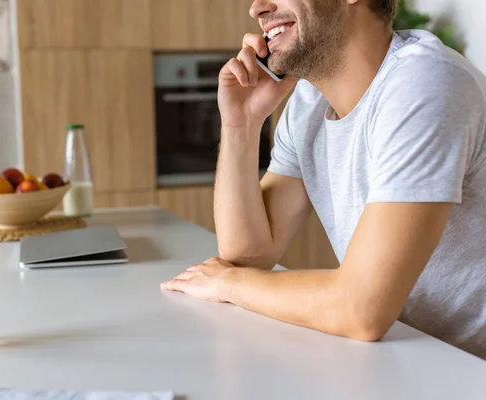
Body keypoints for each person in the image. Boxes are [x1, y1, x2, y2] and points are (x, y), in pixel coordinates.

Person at [161, 0, 486, 360]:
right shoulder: (310, 101)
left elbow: (361, 310)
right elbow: (248, 258)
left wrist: (227, 282)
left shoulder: (425, 81)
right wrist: (241, 125)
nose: (257, 8)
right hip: (409, 358)